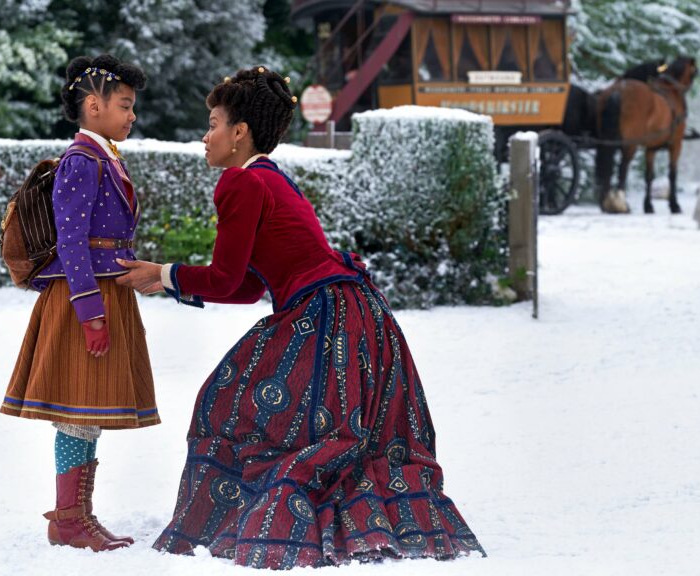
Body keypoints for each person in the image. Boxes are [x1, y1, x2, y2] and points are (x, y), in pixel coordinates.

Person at [116, 66, 485, 568]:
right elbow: (249, 287)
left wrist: (164, 273)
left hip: (326, 316)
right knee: (314, 431)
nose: (206, 136)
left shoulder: (240, 183)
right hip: (354, 314)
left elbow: (227, 280)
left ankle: (258, 515)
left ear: (239, 132)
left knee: (232, 406)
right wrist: (168, 278)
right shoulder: (269, 178)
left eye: (213, 123)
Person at [0, 54, 159, 553]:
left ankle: (78, 513)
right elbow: (71, 243)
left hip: (102, 291)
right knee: (75, 410)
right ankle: (68, 517)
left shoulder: (103, 157)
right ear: (94, 105)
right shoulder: (80, 161)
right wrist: (91, 313)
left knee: (86, 410)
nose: (132, 115)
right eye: (125, 105)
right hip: (80, 298)